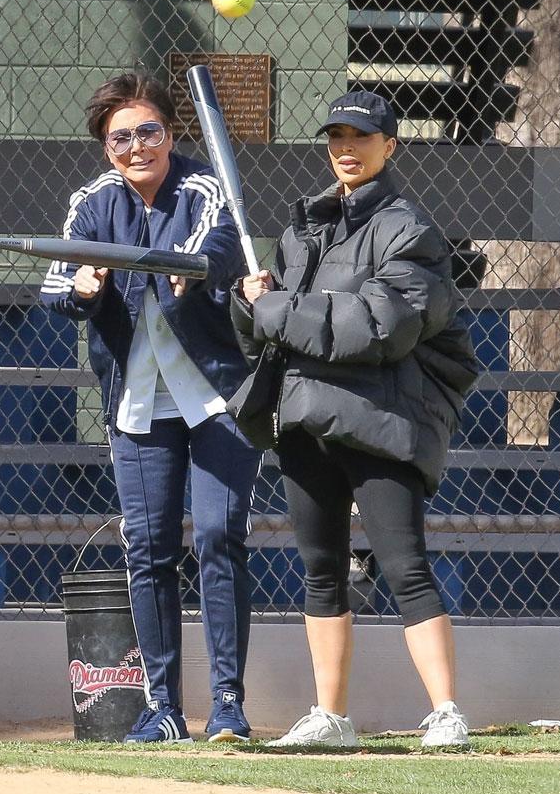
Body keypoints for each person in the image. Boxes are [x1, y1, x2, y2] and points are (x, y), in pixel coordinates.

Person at [229, 91, 479, 749]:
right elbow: (267, 338)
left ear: (390, 146)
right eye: (336, 134)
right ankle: (331, 717)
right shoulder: (302, 229)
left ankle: (448, 712)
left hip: (379, 417)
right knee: (320, 569)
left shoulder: (408, 230)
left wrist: (277, 309)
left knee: (405, 566)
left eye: (362, 136)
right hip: (306, 415)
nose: (347, 146)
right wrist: (248, 304)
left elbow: (381, 327)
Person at [41, 72, 262, 743]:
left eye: (148, 132)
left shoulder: (201, 185)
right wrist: (81, 287)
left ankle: (227, 703)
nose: (136, 147)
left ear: (171, 134)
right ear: (104, 146)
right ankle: (162, 708)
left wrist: (184, 270)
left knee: (221, 538)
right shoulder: (92, 201)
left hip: (216, 393)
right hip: (137, 404)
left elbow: (219, 246)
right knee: (149, 549)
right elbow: (56, 281)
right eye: (120, 138)